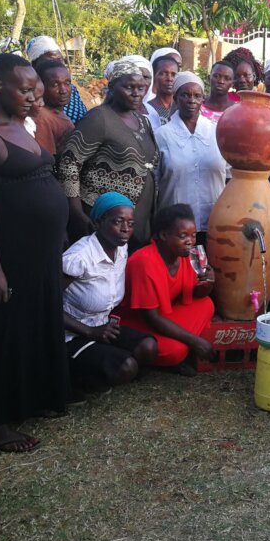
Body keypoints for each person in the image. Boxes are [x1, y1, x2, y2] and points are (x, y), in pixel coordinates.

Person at [0, 53, 70, 453]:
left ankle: (33, 397)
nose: (32, 97)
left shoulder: (22, 127)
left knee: (35, 323)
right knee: (7, 333)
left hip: (40, 251)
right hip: (12, 252)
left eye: (35, 90)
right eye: (24, 89)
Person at [58, 58, 159, 247]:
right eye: (129, 87)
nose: (136, 93)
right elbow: (69, 162)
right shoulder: (100, 118)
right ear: (112, 87)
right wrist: (76, 211)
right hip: (104, 221)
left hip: (138, 220)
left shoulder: (143, 121)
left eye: (141, 87)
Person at [62, 193, 160, 389]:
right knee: (126, 367)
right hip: (71, 334)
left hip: (102, 326)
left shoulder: (120, 248)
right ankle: (70, 381)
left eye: (131, 223)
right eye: (118, 222)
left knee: (148, 348)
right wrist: (89, 331)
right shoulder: (78, 258)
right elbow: (45, 304)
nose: (126, 229)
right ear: (98, 222)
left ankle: (103, 364)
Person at [115, 204, 217, 376]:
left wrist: (209, 283)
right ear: (163, 235)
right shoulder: (144, 262)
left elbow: (197, 294)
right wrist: (195, 341)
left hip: (166, 314)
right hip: (137, 323)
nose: (190, 241)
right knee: (174, 351)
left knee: (206, 304)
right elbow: (151, 318)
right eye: (182, 236)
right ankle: (169, 356)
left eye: (193, 235)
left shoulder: (186, 255)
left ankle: (180, 346)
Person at [155, 72, 229, 241]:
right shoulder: (162, 136)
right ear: (175, 97)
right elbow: (155, 183)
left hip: (214, 224)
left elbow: (230, 177)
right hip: (175, 229)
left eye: (197, 96)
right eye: (185, 95)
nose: (191, 100)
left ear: (203, 99)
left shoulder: (218, 132)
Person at [26, 35, 88, 125]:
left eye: (60, 59)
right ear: (35, 65)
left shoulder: (71, 89)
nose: (57, 64)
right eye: (50, 60)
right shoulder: (30, 98)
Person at [32, 58, 75, 156]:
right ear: (40, 86)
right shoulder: (42, 117)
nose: (63, 90)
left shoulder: (57, 112)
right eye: (55, 85)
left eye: (67, 83)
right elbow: (45, 160)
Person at [145, 48, 180, 127]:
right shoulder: (146, 109)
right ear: (153, 76)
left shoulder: (183, 107)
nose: (169, 79)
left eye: (174, 74)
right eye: (163, 73)